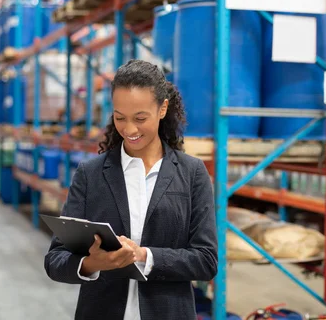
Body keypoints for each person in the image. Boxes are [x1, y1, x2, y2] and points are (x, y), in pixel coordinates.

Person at [44, 60, 218, 319]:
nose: (129, 129)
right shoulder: (90, 174)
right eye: (119, 118)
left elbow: (206, 261)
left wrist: (144, 256)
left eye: (140, 118)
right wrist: (92, 264)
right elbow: (55, 260)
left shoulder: (192, 173)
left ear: (162, 109)